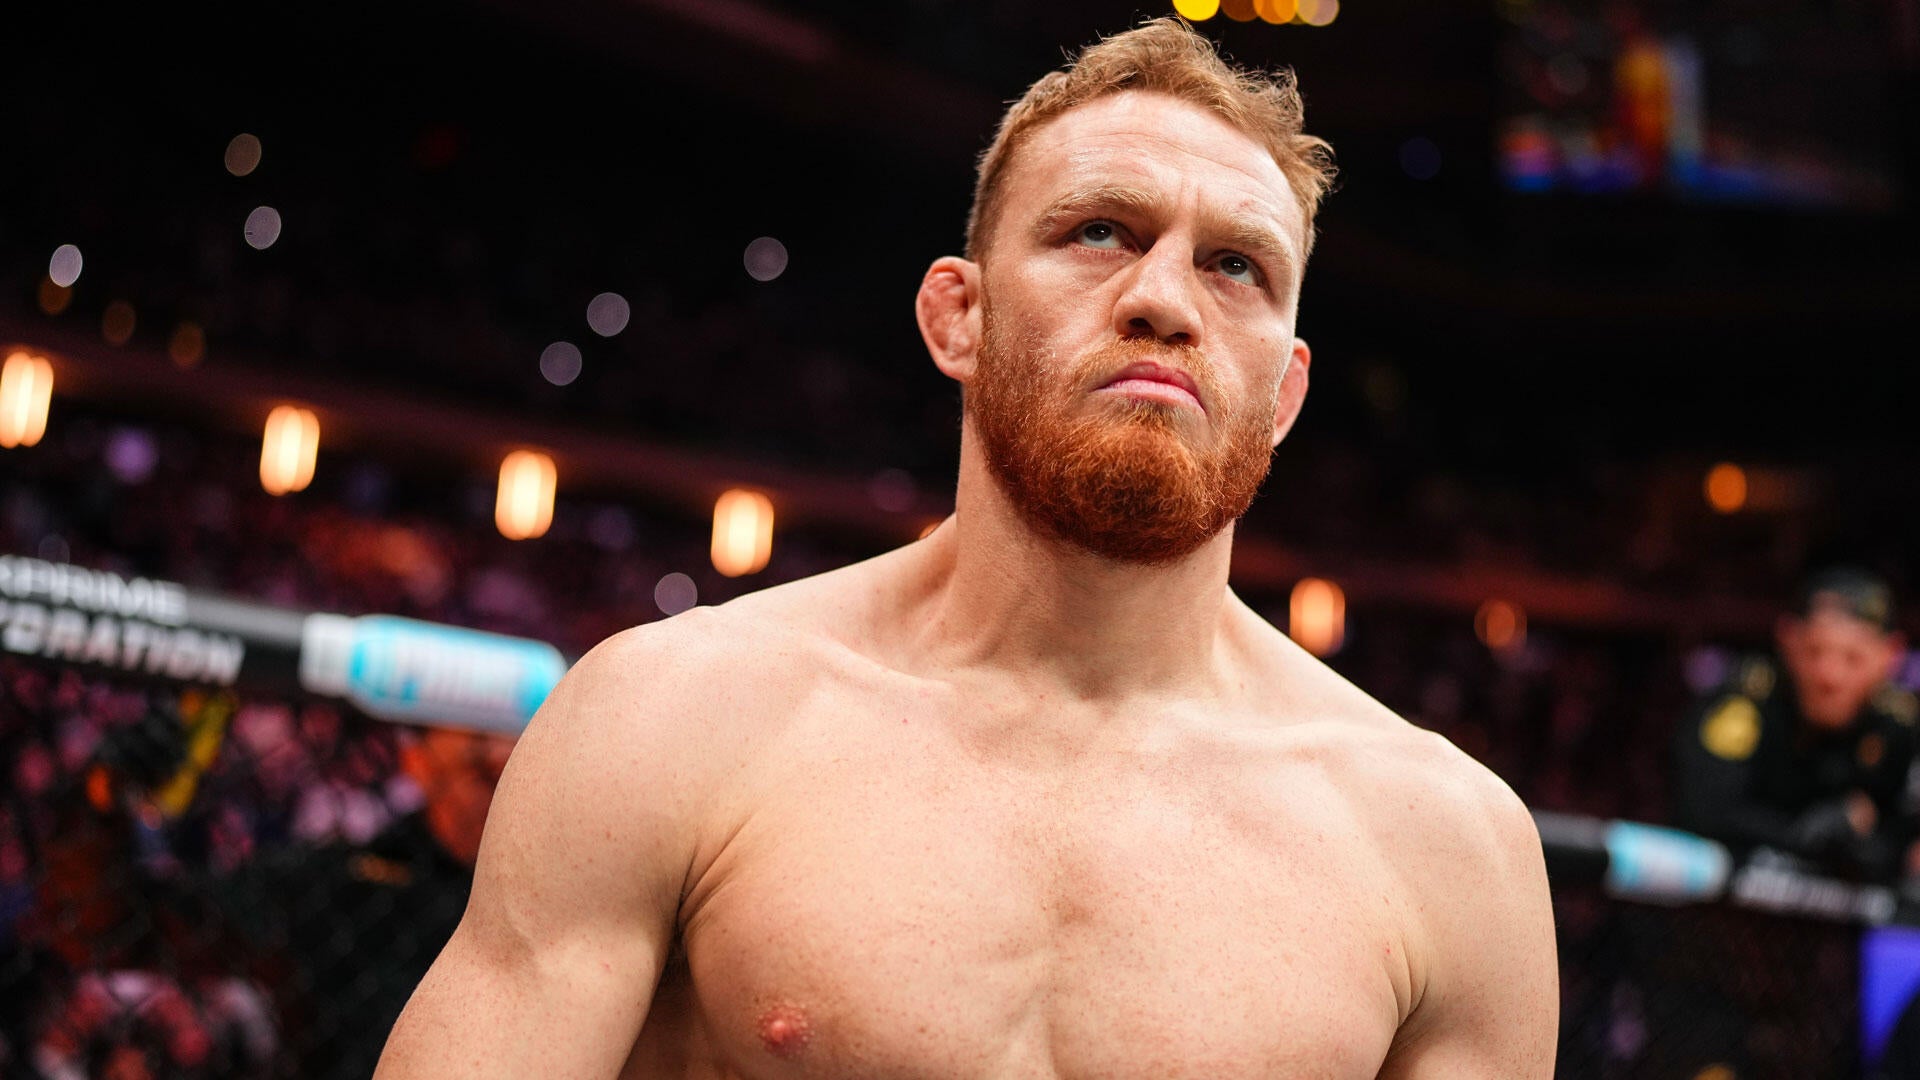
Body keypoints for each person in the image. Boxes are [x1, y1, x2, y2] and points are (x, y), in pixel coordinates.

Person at [376, 19, 1557, 1078]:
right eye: (1100, 231)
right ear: (960, 316)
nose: (1164, 299)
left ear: (1286, 393)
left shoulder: (1449, 848)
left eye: (1235, 265)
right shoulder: (668, 716)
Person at [1673, 566, 1916, 881]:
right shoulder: (1746, 701)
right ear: (1789, 638)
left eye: (1853, 658)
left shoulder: (1901, 726)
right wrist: (1803, 836)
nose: (1829, 675)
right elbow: (1704, 811)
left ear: (1891, 655)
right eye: (1815, 652)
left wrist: (1873, 843)